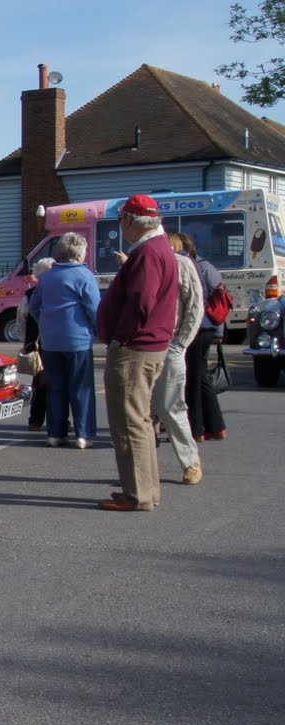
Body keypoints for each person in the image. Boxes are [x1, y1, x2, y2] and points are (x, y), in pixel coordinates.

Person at [96, 194, 180, 512]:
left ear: (130, 221)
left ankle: (138, 494)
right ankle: (145, 489)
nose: (121, 226)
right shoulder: (160, 249)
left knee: (130, 422)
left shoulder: (147, 253)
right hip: (149, 345)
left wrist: (122, 337)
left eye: (121, 220)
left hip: (136, 347)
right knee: (140, 421)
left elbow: (141, 301)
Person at [28, 235, 99, 448]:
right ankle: (83, 434)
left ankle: (55, 433)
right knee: (81, 387)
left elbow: (34, 307)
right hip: (77, 339)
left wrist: (46, 324)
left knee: (56, 387)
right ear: (78, 253)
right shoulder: (84, 275)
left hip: (50, 341)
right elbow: (94, 309)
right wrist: (97, 329)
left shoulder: (47, 277)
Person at [153, 232, 203, 485]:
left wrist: (181, 343)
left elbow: (195, 306)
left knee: (170, 407)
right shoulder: (140, 263)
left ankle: (190, 461)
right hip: (142, 347)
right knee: (142, 412)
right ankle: (143, 471)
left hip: (170, 344)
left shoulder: (182, 265)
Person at [182, 235, 229, 443]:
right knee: (199, 377)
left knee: (195, 377)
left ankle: (199, 427)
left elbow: (219, 300)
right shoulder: (203, 266)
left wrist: (219, 332)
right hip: (205, 327)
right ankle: (213, 426)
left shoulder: (202, 267)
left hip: (201, 327)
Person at [19, 259, 60, 432]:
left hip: (39, 344)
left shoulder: (30, 295)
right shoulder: (51, 292)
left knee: (41, 383)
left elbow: (21, 319)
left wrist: (26, 341)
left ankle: (37, 421)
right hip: (45, 344)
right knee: (49, 384)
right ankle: (48, 421)